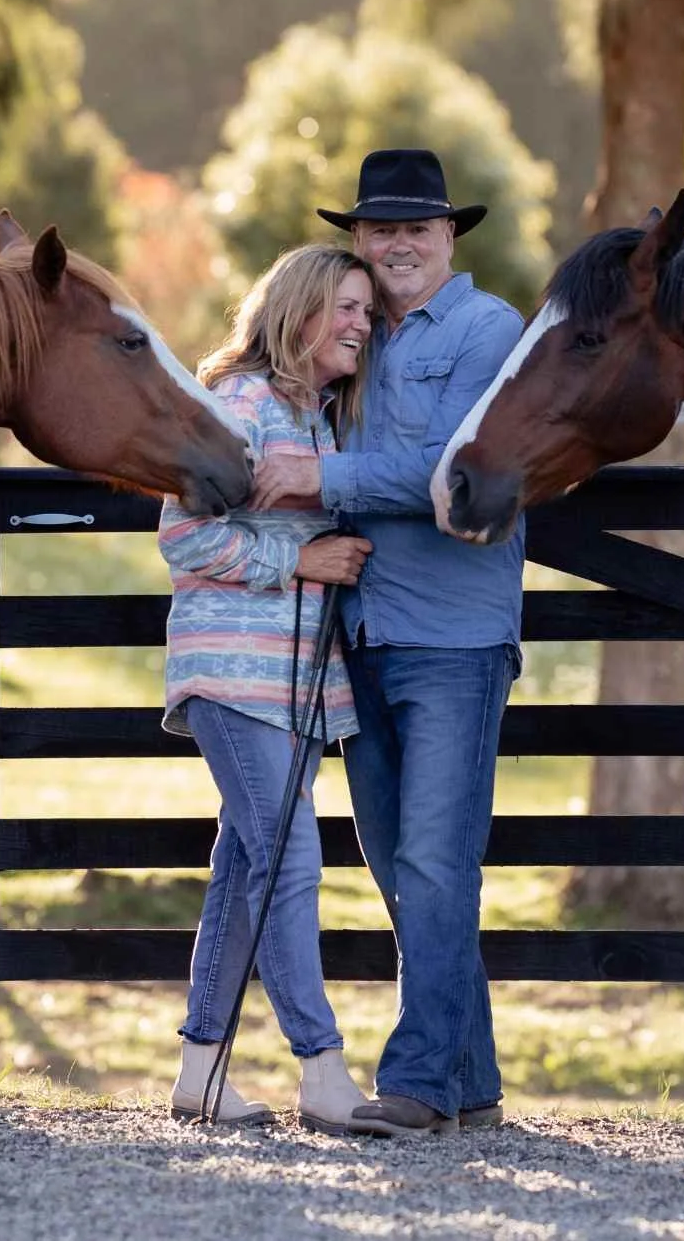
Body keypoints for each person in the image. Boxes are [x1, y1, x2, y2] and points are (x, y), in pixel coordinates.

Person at [250, 149, 526, 1137]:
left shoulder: (492, 331)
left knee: (438, 863)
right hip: (358, 633)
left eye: (417, 226)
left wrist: (317, 482)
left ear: (450, 237)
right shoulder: (350, 330)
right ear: (357, 240)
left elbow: (453, 468)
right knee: (396, 865)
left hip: (453, 636)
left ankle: (413, 1083)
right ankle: (473, 1080)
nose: (398, 243)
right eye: (378, 228)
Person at [159, 243, 378, 1132]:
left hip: (293, 687)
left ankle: (200, 1072)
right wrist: (304, 557)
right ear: (300, 312)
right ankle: (321, 1070)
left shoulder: (320, 417)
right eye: (348, 308)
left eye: (368, 310)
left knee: (246, 866)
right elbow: (184, 541)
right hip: (233, 677)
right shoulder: (241, 405)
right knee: (290, 862)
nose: (364, 323)